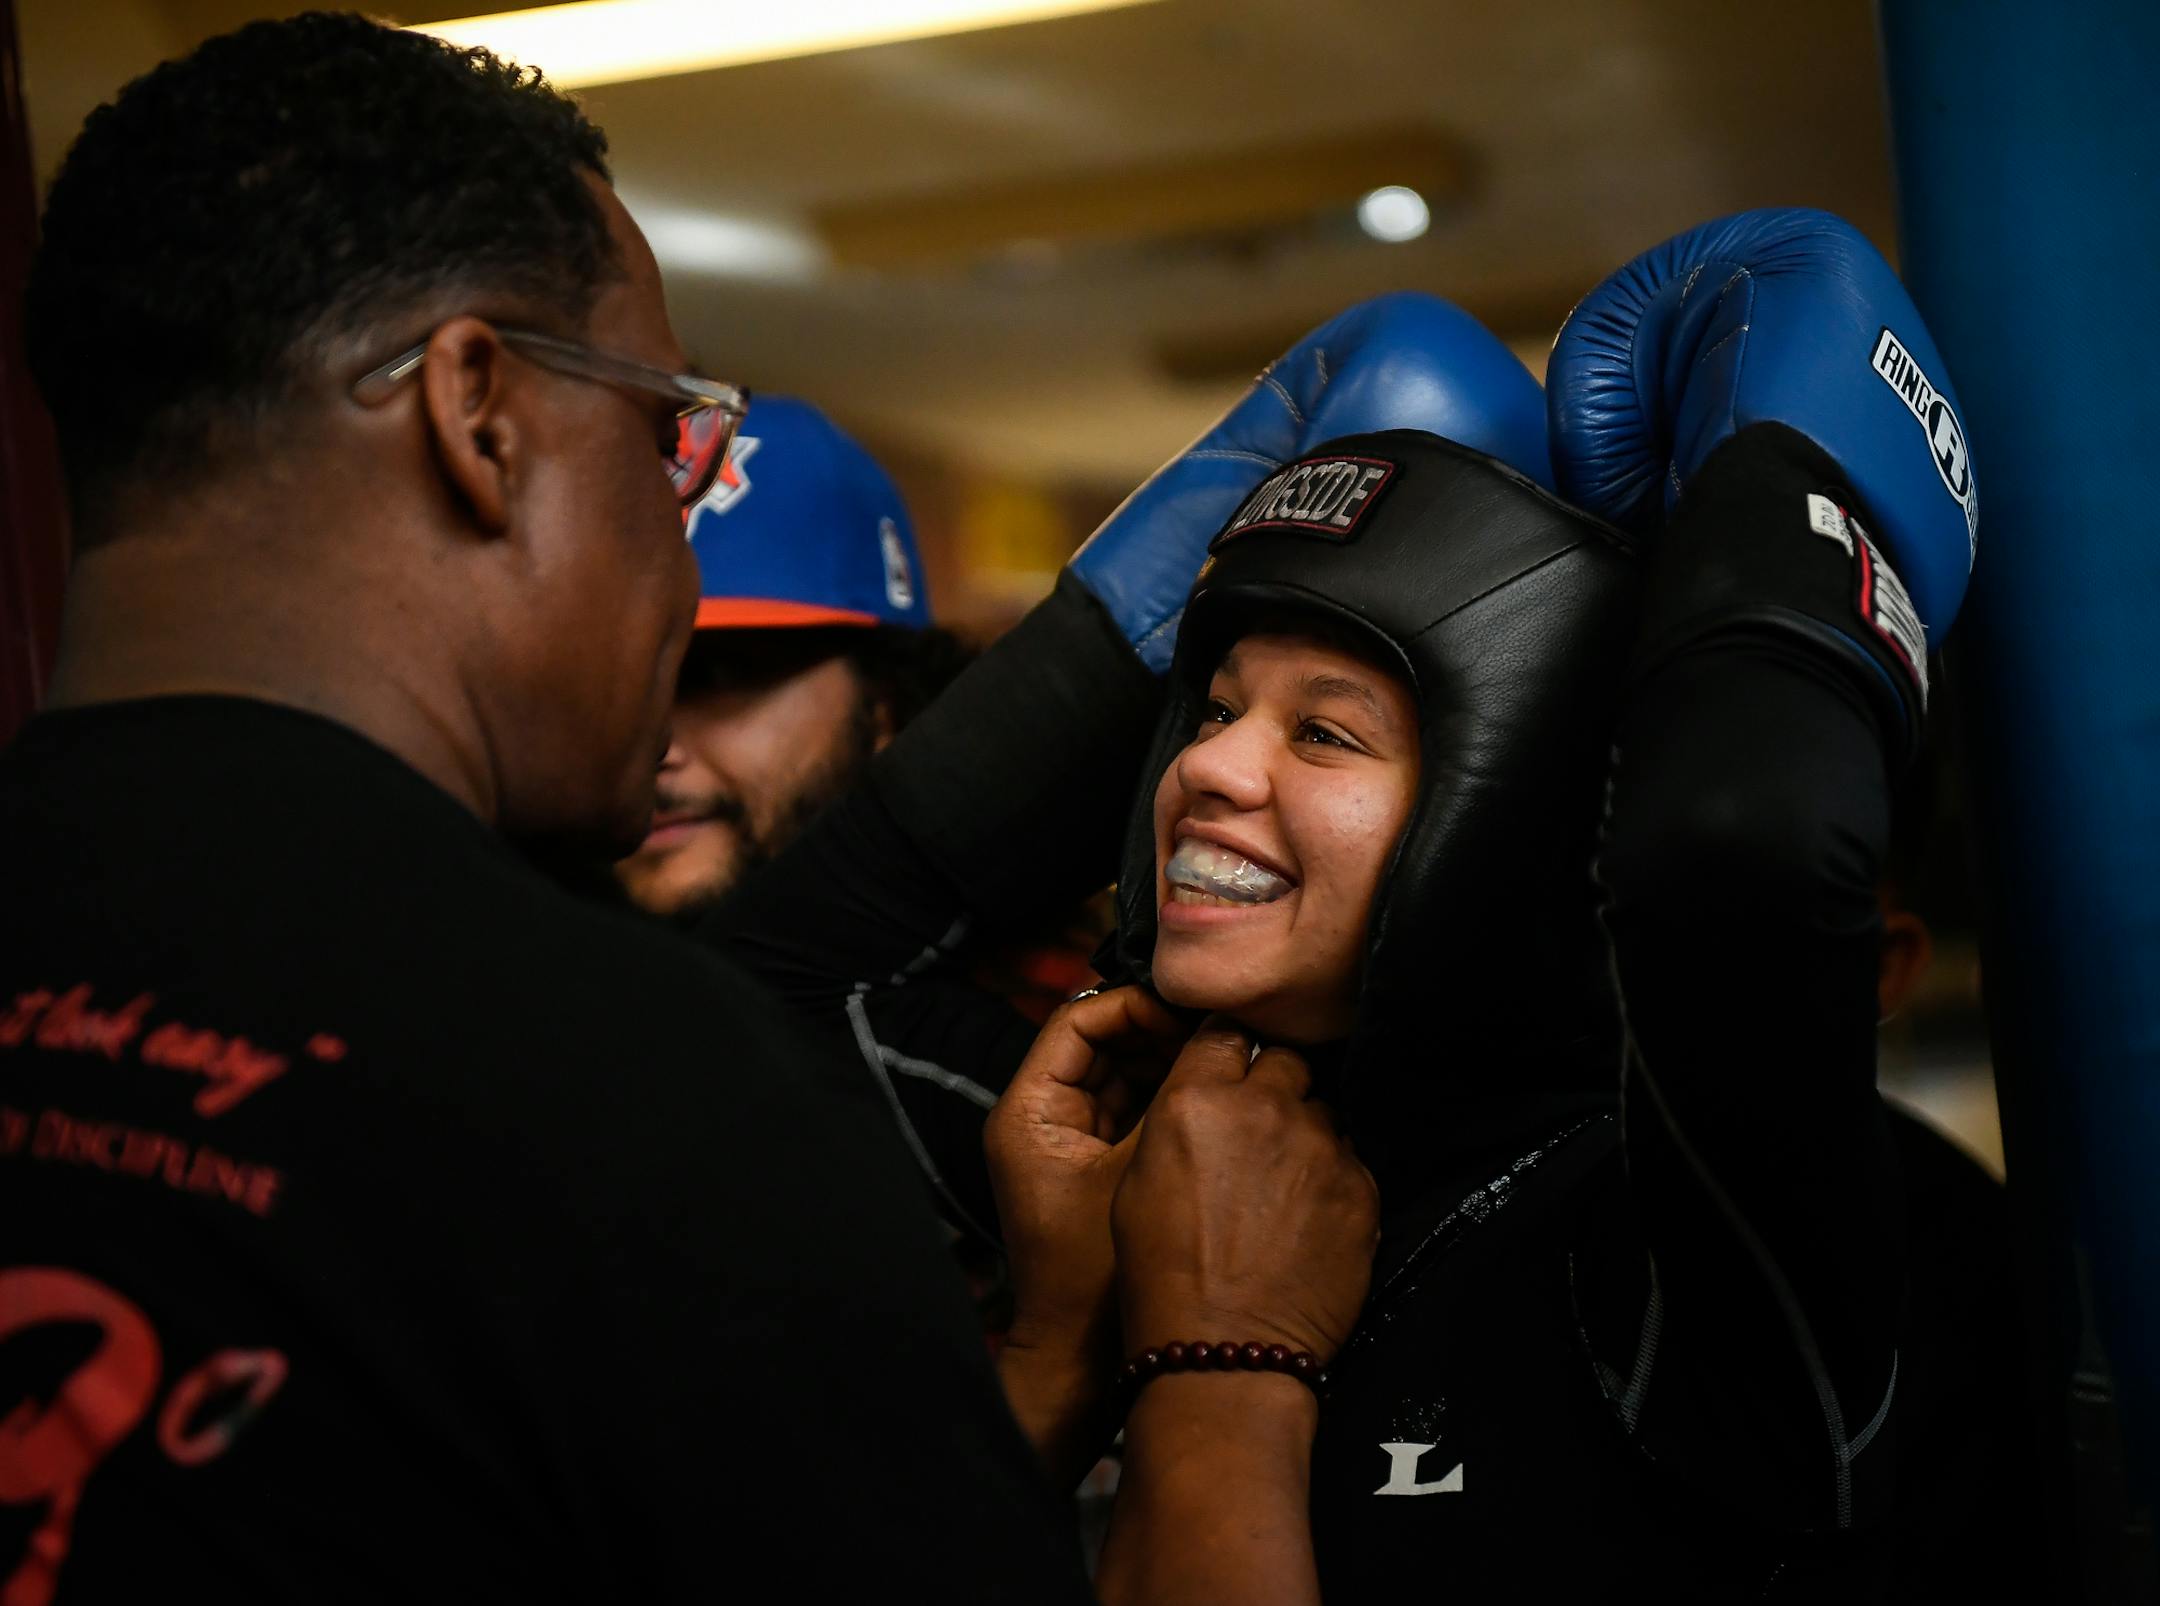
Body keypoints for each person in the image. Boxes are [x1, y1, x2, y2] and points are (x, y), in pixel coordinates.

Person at [0, 16, 1378, 1602]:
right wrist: (1220, 1367)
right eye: (666, 438)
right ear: (479, 415)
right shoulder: (632, 1095)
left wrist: (1053, 1360)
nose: (681, 566)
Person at [713, 211, 2013, 1596]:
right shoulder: (1131, 1152)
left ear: (1506, 814)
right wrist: (1067, 1334)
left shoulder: (1660, 1234)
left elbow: (1744, 847)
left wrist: (1787, 496)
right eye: (1209, 710)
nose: (1207, 764)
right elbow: (765, 993)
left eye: (1324, 734)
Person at [612, 395, 972, 922]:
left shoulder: (1053, 996)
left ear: (884, 704)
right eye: (620, 688)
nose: (655, 743)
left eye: (720, 676)